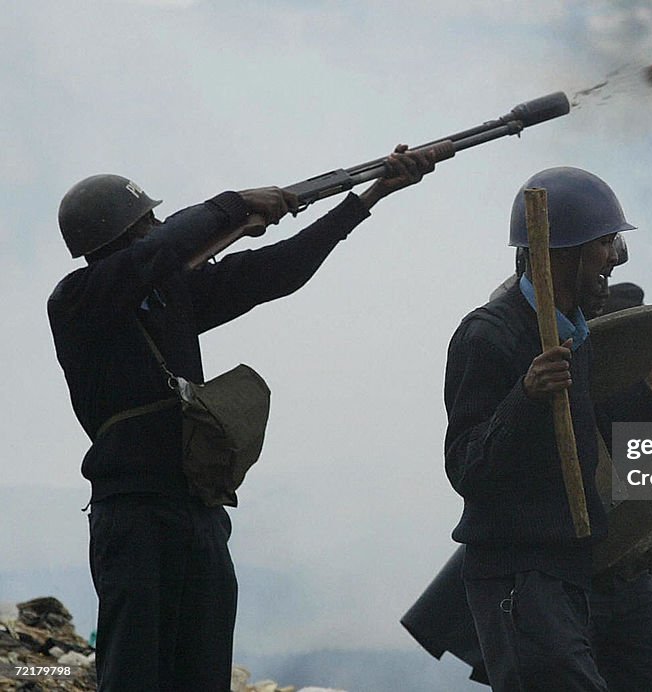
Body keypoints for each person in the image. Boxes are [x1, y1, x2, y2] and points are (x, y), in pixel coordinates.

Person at [47, 145, 434, 691]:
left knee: (202, 674)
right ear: (125, 235)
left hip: (196, 508)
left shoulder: (165, 292)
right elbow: (168, 242)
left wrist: (367, 197)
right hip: (135, 517)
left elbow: (278, 271)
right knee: (133, 675)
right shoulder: (77, 299)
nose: (157, 225)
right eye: (146, 221)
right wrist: (235, 205)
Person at [443, 166, 652, 691]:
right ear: (563, 252)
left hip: (583, 562)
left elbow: (570, 437)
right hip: (522, 572)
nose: (615, 258)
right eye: (604, 243)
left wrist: (645, 398)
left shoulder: (573, 331)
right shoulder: (489, 337)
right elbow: (467, 467)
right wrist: (526, 396)